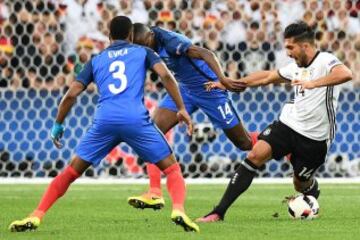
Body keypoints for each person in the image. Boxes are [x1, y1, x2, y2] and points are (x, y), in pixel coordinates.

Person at [9, 16, 199, 233]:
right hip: (135, 119)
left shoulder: (96, 60)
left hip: (104, 122)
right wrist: (182, 108)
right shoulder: (143, 52)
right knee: (172, 168)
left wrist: (58, 125)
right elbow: (166, 76)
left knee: (70, 172)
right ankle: (179, 210)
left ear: (109, 36)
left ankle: (36, 215)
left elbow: (71, 94)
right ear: (130, 35)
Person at [197, 21, 353, 223]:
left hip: (315, 138)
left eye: (290, 47)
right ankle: (218, 212)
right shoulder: (295, 68)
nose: (287, 52)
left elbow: (346, 74)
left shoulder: (325, 61)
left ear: (305, 46)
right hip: (288, 124)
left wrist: (313, 83)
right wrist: (230, 83)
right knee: (255, 154)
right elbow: (267, 77)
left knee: (300, 183)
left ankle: (311, 190)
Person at [127, 23, 257, 210]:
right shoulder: (146, 46)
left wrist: (223, 79)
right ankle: (154, 192)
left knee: (244, 143)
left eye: (143, 45)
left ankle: (277, 141)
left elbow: (207, 54)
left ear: (149, 36)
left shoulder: (172, 41)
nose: (142, 50)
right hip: (185, 90)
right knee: (152, 131)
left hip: (209, 89)